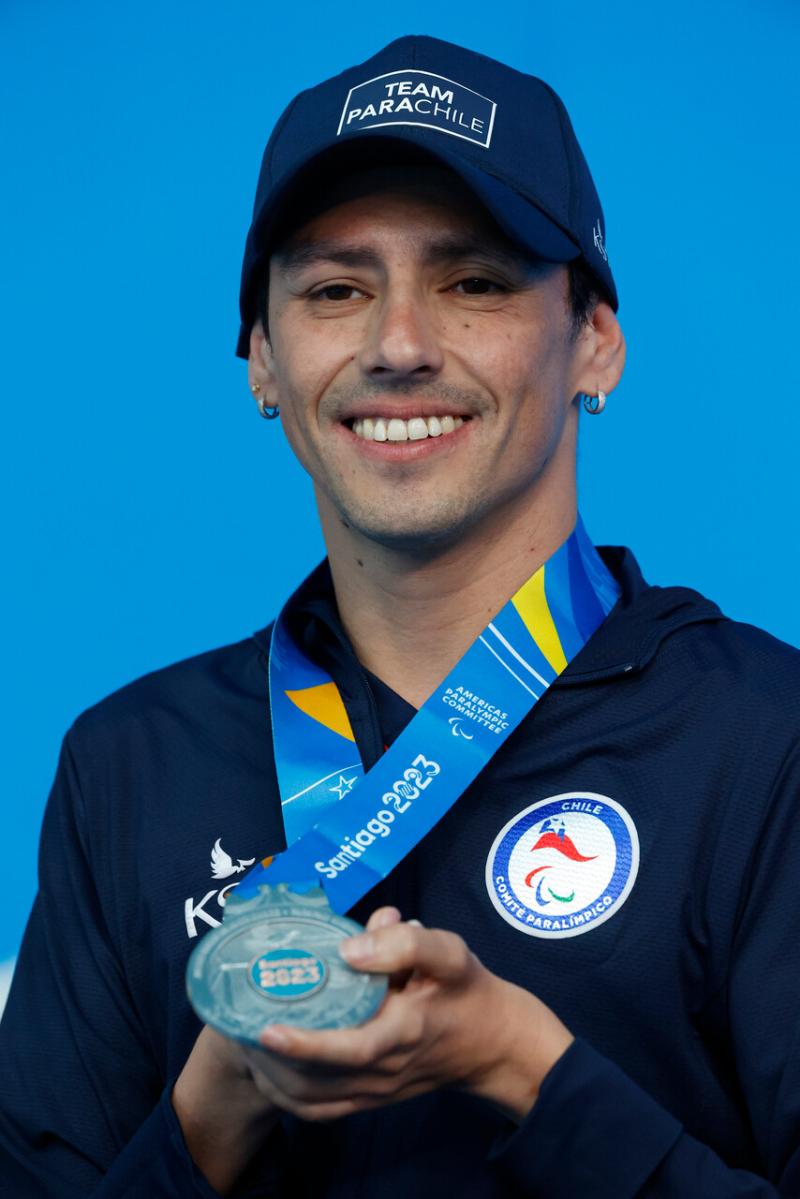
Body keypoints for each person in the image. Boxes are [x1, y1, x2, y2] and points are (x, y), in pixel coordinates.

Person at [2, 32, 800, 1199]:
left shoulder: (762, 740)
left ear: (594, 339)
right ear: (262, 361)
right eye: (335, 289)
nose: (398, 345)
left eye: (471, 280)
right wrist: (214, 1104)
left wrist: (526, 1071)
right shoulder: (129, 765)